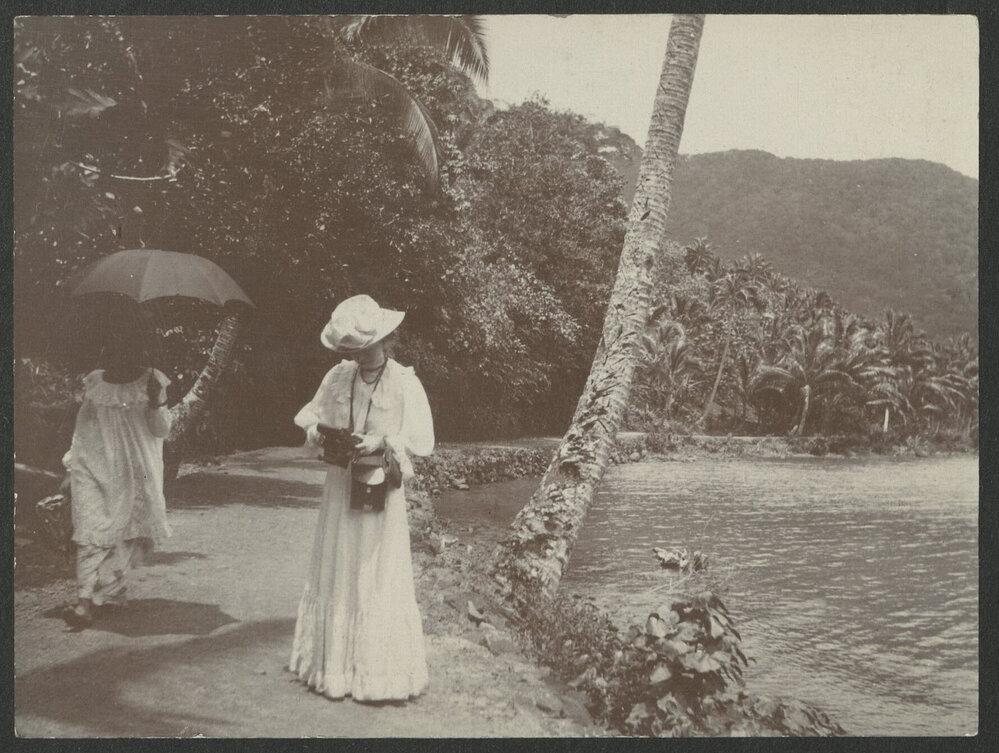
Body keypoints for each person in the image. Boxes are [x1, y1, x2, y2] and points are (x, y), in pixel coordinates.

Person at [289, 294, 434, 702]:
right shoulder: (338, 377)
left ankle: (377, 676)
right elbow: (312, 415)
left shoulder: (403, 381)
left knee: (374, 568)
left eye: (364, 346)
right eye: (350, 349)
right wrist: (323, 433)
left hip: (378, 485)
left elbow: (421, 438)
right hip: (341, 483)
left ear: (385, 339)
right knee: (341, 562)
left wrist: (383, 439)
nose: (358, 355)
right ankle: (333, 669)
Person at [60, 320, 172, 629]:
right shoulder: (95, 383)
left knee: (130, 535)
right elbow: (82, 431)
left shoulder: (152, 381)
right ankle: (84, 602)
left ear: (139, 352)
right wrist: (71, 467)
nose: (120, 353)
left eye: (129, 347)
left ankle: (107, 590)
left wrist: (155, 402)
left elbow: (162, 430)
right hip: (95, 467)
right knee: (90, 531)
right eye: (114, 346)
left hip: (137, 473)